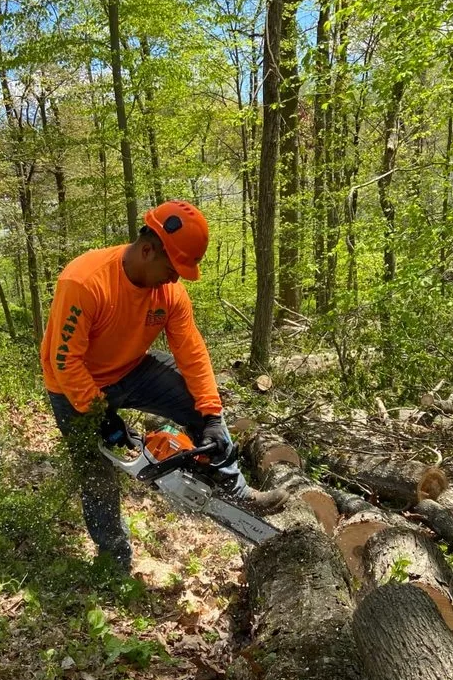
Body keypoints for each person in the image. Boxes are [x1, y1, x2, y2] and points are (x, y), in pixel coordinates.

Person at [41, 199, 287, 572]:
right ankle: (114, 560)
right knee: (96, 472)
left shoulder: (169, 293)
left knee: (197, 406)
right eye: (172, 268)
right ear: (146, 250)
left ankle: (235, 492)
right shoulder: (85, 281)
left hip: (132, 370)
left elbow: (191, 350)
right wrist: (99, 413)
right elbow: (65, 360)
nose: (175, 278)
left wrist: (211, 414)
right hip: (72, 384)